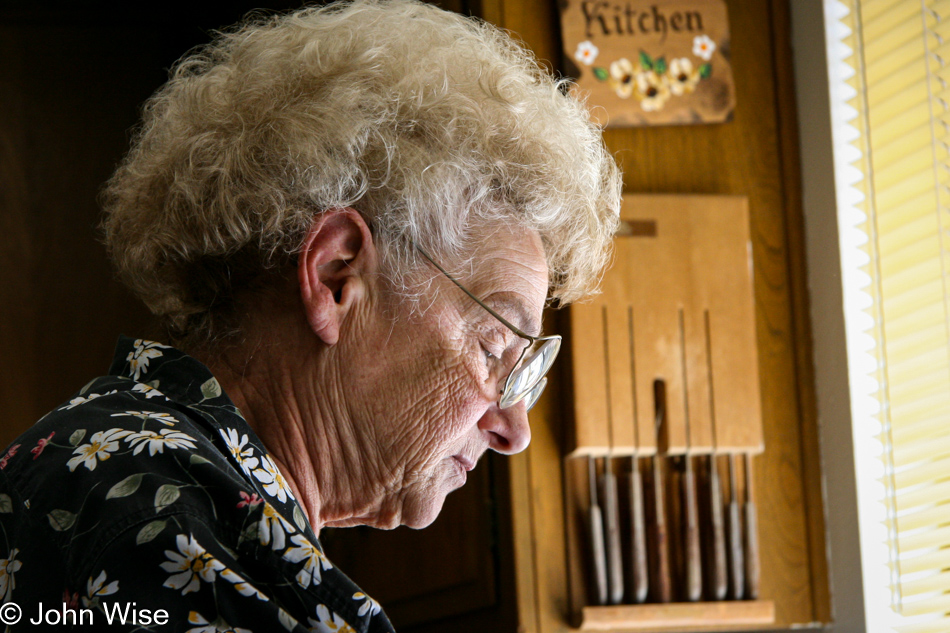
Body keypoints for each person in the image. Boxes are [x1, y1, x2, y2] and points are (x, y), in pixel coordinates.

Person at [0, 0, 620, 630]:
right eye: (494, 348)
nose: (515, 431)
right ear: (336, 277)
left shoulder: (172, 490)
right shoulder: (154, 513)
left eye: (527, 370)